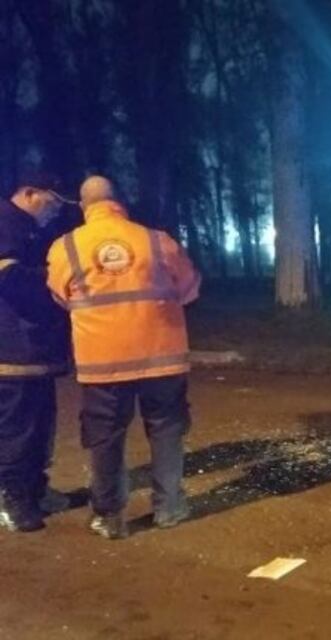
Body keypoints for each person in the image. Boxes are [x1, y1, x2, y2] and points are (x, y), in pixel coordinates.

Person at [47, 175, 200, 539]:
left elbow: (60, 297)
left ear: (85, 207)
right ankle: (170, 507)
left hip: (103, 364)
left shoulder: (65, 247)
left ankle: (109, 517)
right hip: (162, 357)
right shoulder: (155, 240)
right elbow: (189, 287)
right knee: (165, 430)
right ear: (119, 203)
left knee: (105, 439)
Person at [0, 171, 72, 532]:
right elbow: (10, 280)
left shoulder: (24, 227)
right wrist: (55, 287)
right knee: (18, 429)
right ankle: (13, 498)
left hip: (33, 350)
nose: (57, 210)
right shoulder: (5, 223)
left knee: (40, 426)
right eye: (53, 201)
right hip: (12, 350)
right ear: (29, 193)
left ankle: (34, 489)